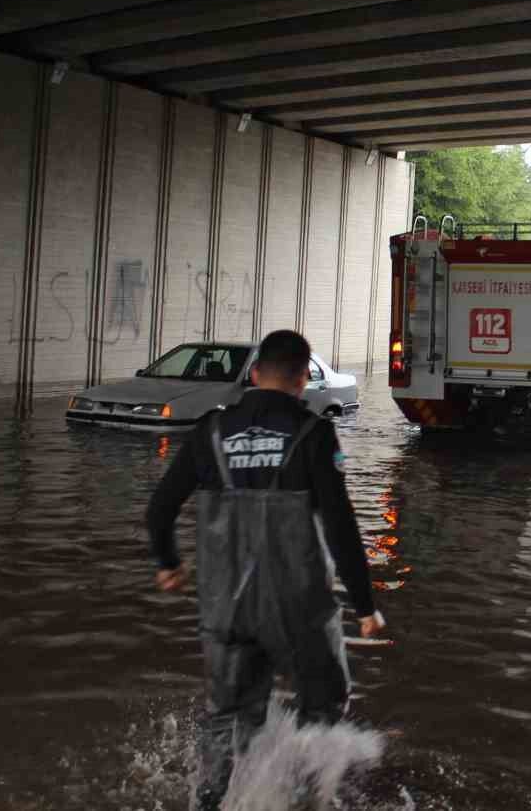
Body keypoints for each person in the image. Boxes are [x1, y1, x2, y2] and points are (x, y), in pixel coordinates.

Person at [146, 329, 386, 811]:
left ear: (254, 375)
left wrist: (169, 563)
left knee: (228, 717)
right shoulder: (313, 432)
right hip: (298, 609)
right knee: (322, 708)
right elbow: (341, 526)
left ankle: (212, 800)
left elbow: (159, 510)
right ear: (302, 380)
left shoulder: (210, 432)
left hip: (225, 608)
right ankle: (307, 798)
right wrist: (364, 605)